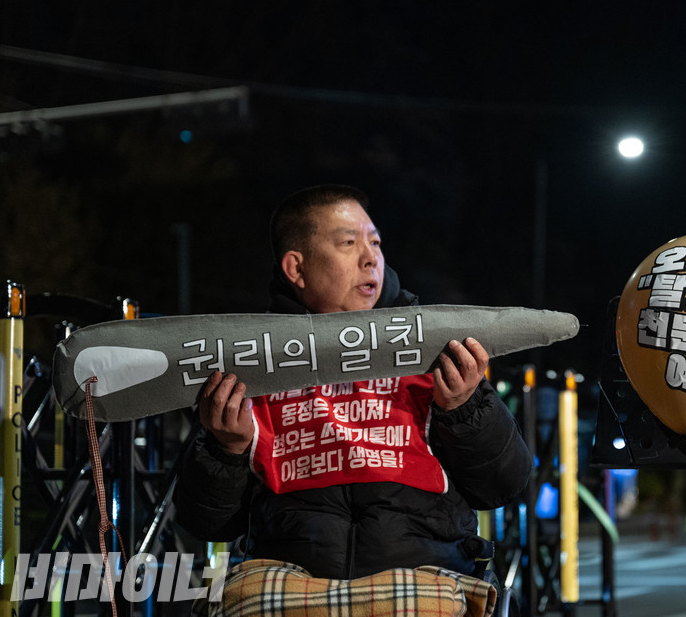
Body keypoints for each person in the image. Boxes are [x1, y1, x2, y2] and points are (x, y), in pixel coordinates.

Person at [173, 185, 533, 600]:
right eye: (348, 242)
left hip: (425, 586)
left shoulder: (431, 350)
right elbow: (204, 522)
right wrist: (227, 449)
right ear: (296, 268)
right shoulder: (250, 365)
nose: (371, 257)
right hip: (292, 595)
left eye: (375, 242)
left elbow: (503, 485)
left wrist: (464, 408)